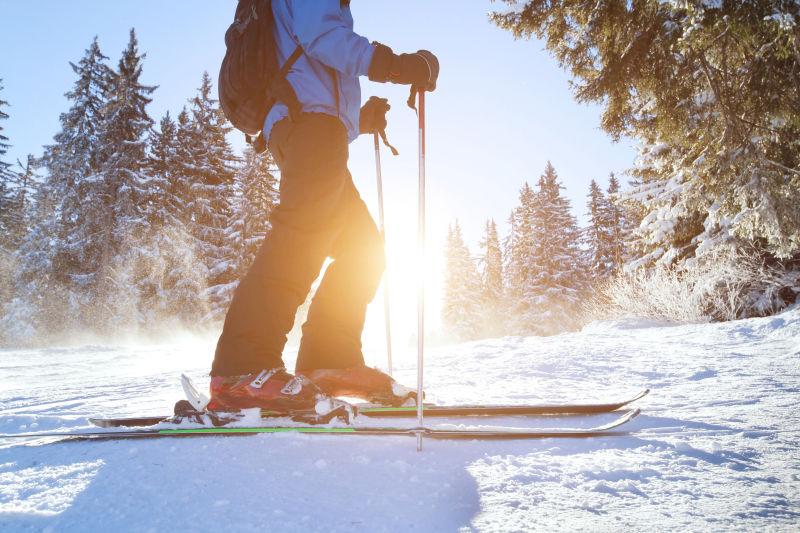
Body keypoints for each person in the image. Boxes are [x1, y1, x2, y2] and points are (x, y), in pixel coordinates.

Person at [208, 0, 439, 414]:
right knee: (302, 236)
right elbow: (325, 39)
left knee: (363, 248)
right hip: (308, 127)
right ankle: (242, 369)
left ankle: (329, 359)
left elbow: (307, 68)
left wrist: (359, 119)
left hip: (312, 127)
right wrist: (397, 66)